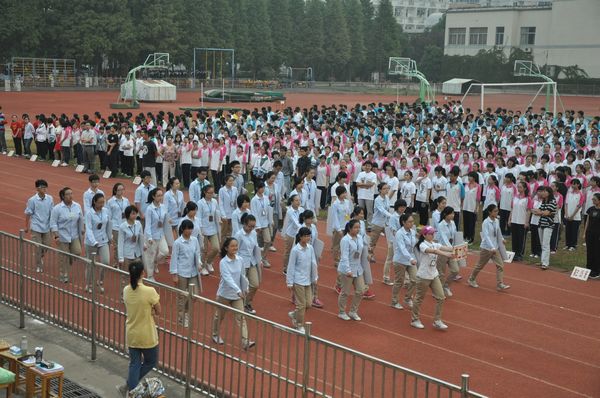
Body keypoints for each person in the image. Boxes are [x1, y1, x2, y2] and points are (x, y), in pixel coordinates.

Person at [118, 261, 160, 396]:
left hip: (132, 333)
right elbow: (158, 310)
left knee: (134, 364)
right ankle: (130, 387)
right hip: (147, 334)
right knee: (151, 361)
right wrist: (151, 311)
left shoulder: (126, 290)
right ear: (143, 273)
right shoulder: (150, 291)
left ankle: (131, 388)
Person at [211, 237, 255, 350]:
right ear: (226, 248)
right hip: (224, 294)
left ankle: (245, 341)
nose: (235, 248)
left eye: (236, 245)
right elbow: (227, 278)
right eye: (232, 246)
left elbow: (242, 275)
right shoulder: (223, 262)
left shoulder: (240, 260)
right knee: (219, 316)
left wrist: (246, 287)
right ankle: (215, 334)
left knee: (241, 317)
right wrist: (238, 290)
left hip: (237, 296)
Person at [410, 225, 454, 330]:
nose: (433, 235)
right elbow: (434, 251)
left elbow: (447, 247)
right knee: (419, 298)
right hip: (424, 276)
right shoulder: (422, 245)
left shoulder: (435, 244)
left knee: (441, 297)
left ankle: (437, 320)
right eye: (430, 233)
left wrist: (458, 249)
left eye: (433, 233)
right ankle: (414, 319)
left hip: (434, 275)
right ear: (424, 235)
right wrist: (446, 254)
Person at [468, 204, 511, 291]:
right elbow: (486, 236)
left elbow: (498, 231)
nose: (497, 212)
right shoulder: (485, 222)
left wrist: (502, 239)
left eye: (497, 211)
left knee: (500, 265)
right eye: (495, 211)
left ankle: (500, 284)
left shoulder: (496, 221)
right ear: (489, 212)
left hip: (495, 248)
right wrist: (492, 247)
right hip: (486, 248)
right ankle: (471, 279)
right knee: (480, 266)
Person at [170, 219, 202, 327]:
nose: (189, 231)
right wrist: (174, 274)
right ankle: (181, 317)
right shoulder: (178, 243)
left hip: (193, 272)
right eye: (187, 228)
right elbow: (174, 258)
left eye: (191, 228)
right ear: (183, 229)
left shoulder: (195, 240)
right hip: (182, 272)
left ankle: (186, 313)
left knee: (194, 295)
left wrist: (199, 263)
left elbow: (197, 253)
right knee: (181, 296)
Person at [287, 227, 318, 333]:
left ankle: (294, 314)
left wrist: (315, 277)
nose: (308, 238)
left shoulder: (310, 248)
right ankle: (299, 324)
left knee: (308, 304)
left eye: (309, 236)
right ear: (300, 237)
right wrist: (290, 282)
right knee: (301, 304)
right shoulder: (295, 250)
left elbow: (313, 263)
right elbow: (291, 266)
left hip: (307, 280)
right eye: (305, 236)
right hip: (298, 280)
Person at [50, 187, 84, 283]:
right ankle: (63, 274)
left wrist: (82, 228)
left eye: (71, 193)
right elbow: (53, 223)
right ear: (63, 196)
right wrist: (56, 236)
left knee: (77, 252)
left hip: (74, 235)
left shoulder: (77, 206)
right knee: (63, 257)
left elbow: (81, 218)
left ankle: (69, 258)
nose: (70, 196)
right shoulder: (57, 208)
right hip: (62, 236)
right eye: (68, 194)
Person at [337, 219, 367, 321]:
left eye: (359, 227)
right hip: (347, 269)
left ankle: (353, 311)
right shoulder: (345, 240)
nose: (358, 229)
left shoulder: (359, 237)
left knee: (360, 290)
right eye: (355, 227)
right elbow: (344, 256)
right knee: (345, 292)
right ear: (350, 228)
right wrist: (348, 270)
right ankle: (341, 311)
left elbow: (362, 251)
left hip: (358, 268)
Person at [84, 193, 111, 293]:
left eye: (103, 202)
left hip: (103, 240)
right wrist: (93, 241)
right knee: (90, 264)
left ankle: (100, 281)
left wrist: (109, 237)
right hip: (91, 242)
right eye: (100, 202)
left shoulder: (106, 211)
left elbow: (108, 224)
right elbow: (89, 229)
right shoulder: (89, 213)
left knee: (106, 262)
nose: (102, 204)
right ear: (94, 202)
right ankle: (89, 284)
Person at [24, 179, 54, 273]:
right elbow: (28, 213)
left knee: (47, 245)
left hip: (47, 226)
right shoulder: (32, 200)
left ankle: (39, 256)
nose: (44, 189)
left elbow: (52, 212)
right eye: (42, 187)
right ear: (37, 188)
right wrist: (26, 226)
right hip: (36, 226)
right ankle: (38, 265)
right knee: (38, 246)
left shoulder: (50, 198)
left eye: (45, 187)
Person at [234, 213, 261, 315]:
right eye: (250, 226)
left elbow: (256, 247)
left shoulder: (254, 233)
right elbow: (235, 250)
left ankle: (247, 302)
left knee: (255, 284)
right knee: (242, 286)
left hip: (252, 262)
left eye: (253, 226)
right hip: (241, 264)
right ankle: (238, 304)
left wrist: (260, 260)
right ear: (244, 224)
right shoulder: (238, 235)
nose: (251, 228)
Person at [391, 213, 417, 309]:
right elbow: (402, 248)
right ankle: (394, 301)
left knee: (415, 279)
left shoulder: (413, 232)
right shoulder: (399, 233)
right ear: (403, 222)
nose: (412, 223)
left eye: (412, 221)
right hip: (400, 260)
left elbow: (415, 244)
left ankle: (408, 298)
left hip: (411, 259)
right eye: (409, 222)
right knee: (399, 281)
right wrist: (410, 258)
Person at [142, 188, 169, 281]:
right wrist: (149, 237)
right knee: (150, 255)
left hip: (161, 234)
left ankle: (155, 262)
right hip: (152, 236)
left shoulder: (163, 207)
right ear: (153, 197)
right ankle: (150, 276)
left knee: (165, 251)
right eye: (158, 196)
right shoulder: (149, 209)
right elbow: (148, 224)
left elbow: (165, 219)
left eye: (161, 195)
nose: (160, 197)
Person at [435, 207, 459, 297]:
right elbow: (444, 239)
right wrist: (451, 249)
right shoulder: (441, 225)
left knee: (455, 270)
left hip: (451, 249)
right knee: (441, 272)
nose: (453, 215)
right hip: (443, 250)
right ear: (445, 214)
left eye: (453, 213)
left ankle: (446, 286)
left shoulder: (452, 223)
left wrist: (457, 246)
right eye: (451, 214)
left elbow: (455, 235)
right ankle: (438, 291)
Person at [532, 186, 557, 270]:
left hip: (548, 225)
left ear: (549, 193)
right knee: (542, 243)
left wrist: (540, 212)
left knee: (546, 244)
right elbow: (536, 211)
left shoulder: (552, 202)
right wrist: (541, 212)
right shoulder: (544, 202)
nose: (542, 193)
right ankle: (543, 261)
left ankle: (545, 263)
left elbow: (546, 213)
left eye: (544, 191)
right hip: (541, 223)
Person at [198, 185, 221, 275]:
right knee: (204, 250)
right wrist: (200, 230)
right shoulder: (200, 203)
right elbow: (199, 217)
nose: (212, 194)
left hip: (213, 228)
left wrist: (219, 220)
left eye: (213, 193)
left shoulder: (214, 201)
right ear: (205, 192)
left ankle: (209, 261)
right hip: (204, 229)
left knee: (216, 248)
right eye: (209, 193)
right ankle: (203, 267)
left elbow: (217, 212)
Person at [107, 183, 130, 267]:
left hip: (124, 225)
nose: (121, 191)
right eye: (119, 190)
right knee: (117, 245)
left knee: (124, 244)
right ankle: (116, 262)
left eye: (122, 189)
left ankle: (123, 259)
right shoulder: (110, 201)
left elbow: (128, 212)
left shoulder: (126, 200)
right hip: (115, 226)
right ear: (115, 190)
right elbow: (109, 215)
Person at [251, 181, 273, 268]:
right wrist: (257, 226)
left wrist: (270, 220)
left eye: (263, 187)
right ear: (257, 188)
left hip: (265, 223)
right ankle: (254, 258)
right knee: (254, 243)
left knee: (268, 241)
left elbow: (268, 210)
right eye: (261, 188)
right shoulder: (254, 200)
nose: (263, 189)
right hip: (257, 225)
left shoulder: (266, 198)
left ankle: (263, 257)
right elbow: (254, 213)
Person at [368, 183, 392, 263]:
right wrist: (392, 216)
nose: (387, 190)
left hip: (386, 224)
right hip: (377, 223)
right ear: (380, 190)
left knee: (391, 240)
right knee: (373, 241)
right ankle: (370, 255)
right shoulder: (377, 200)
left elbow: (388, 209)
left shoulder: (387, 198)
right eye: (384, 188)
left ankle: (392, 256)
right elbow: (382, 211)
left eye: (387, 188)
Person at [508, 182, 531, 262]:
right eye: (518, 187)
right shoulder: (515, 197)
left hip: (522, 221)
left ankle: (520, 254)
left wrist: (526, 222)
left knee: (521, 238)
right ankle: (514, 253)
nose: (518, 189)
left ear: (524, 188)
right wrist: (509, 219)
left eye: (520, 187)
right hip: (514, 220)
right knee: (514, 238)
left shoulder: (527, 198)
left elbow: (528, 211)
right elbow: (512, 209)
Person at [282, 194, 304, 274]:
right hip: (291, 234)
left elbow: (303, 220)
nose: (298, 202)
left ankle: (295, 267)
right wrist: (304, 228)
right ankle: (285, 268)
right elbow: (296, 223)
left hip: (299, 234)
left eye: (299, 200)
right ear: (292, 202)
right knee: (288, 251)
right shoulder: (290, 211)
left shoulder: (301, 210)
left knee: (298, 251)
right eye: (296, 200)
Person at [564, 178, 584, 251]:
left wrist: (572, 215)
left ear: (578, 185)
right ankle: (568, 244)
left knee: (574, 231)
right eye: (572, 183)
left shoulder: (580, 194)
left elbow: (579, 206)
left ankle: (573, 245)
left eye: (574, 184)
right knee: (568, 230)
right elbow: (566, 204)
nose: (573, 185)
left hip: (575, 216)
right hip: (568, 215)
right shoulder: (569, 193)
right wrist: (566, 214)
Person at [583, 193, 600, 279]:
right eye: (593, 199)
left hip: (598, 234)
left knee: (596, 252)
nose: (593, 201)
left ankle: (596, 271)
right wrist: (584, 232)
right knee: (589, 251)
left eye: (595, 200)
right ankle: (589, 268)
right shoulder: (590, 209)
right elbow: (587, 222)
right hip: (590, 233)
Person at [163, 177, 185, 242]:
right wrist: (167, 218)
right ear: (171, 185)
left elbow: (182, 205)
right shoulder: (167, 195)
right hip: (170, 219)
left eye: (179, 183)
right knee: (169, 238)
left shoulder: (180, 193)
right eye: (176, 184)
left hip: (179, 218)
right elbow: (165, 208)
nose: (178, 185)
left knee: (180, 236)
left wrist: (183, 215)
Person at [218, 175, 239, 239]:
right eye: (230, 181)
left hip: (233, 212)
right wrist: (223, 215)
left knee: (232, 230)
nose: (231, 182)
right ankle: (222, 245)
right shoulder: (222, 190)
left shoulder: (235, 189)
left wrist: (237, 211)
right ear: (225, 181)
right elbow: (220, 203)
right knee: (224, 231)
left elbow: (237, 201)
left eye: (232, 181)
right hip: (225, 214)